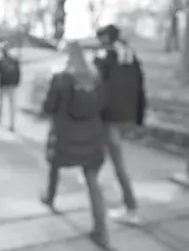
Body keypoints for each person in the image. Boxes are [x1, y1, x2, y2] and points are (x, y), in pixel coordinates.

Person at [41, 42, 116, 251]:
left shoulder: (61, 79)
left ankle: (50, 197)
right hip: (92, 137)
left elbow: (48, 107)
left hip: (64, 135)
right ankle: (101, 231)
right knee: (92, 181)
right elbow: (103, 105)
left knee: (55, 164)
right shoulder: (96, 79)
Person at [94, 24, 146, 225]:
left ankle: (130, 207)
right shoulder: (131, 57)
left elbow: (100, 89)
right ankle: (100, 192)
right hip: (128, 116)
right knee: (104, 157)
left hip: (110, 117)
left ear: (106, 38)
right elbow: (141, 87)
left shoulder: (105, 58)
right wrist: (139, 117)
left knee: (114, 163)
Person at [0, 43, 21, 132]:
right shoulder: (14, 61)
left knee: (0, 103)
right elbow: (18, 73)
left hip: (3, 84)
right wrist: (17, 83)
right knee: (11, 105)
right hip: (12, 84)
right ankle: (11, 124)